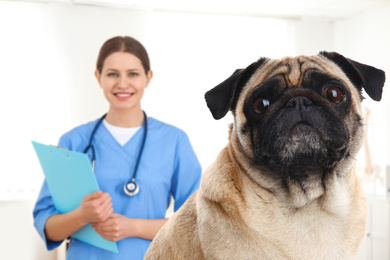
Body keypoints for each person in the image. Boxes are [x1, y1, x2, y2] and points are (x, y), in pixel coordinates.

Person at [33, 36, 202, 259]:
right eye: (112, 74)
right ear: (98, 77)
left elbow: (196, 221)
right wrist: (82, 215)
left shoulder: (174, 141)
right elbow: (47, 226)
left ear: (148, 78)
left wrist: (133, 227)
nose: (122, 84)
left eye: (133, 74)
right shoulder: (73, 141)